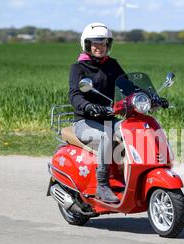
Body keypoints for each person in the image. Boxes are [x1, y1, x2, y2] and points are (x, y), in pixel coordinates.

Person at [68, 22, 168, 204]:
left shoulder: (112, 64)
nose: (100, 47)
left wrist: (151, 98)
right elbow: (74, 95)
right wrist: (88, 106)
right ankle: (102, 185)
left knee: (138, 129)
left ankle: (137, 175)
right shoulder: (78, 68)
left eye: (104, 43)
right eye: (96, 43)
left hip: (109, 118)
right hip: (85, 121)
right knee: (106, 137)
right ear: (87, 44)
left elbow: (128, 87)